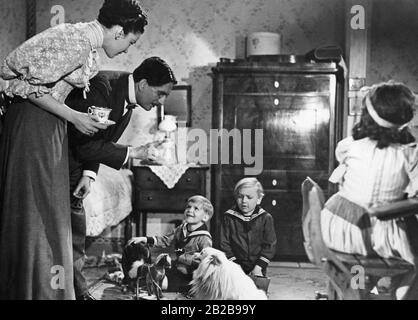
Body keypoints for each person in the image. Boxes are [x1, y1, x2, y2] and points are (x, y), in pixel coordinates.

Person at [0, 0, 148, 300]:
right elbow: (23, 85)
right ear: (119, 31)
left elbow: (49, 88)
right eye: (130, 42)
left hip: (48, 126)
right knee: (38, 214)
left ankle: (41, 289)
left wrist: (77, 117)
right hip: (33, 124)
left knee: (48, 213)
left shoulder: (86, 43)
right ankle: (32, 291)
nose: (127, 50)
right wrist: (74, 116)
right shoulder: (77, 41)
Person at [65, 57, 177, 300]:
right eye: (160, 93)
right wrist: (134, 152)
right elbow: (85, 144)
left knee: (75, 234)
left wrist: (89, 173)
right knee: (68, 235)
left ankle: (78, 292)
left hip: (77, 169)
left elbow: (98, 140)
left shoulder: (127, 98)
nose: (161, 101)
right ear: (143, 84)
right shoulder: (103, 88)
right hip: (58, 165)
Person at [320, 81, 418, 299]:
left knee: (361, 266)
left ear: (367, 114)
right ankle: (393, 292)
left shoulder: (349, 146)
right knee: (413, 258)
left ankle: (359, 289)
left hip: (341, 230)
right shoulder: (410, 153)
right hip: (379, 238)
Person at [128, 195, 214, 293]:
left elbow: (206, 261)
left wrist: (184, 258)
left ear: (205, 217)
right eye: (188, 207)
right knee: (153, 272)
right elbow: (166, 240)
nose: (190, 210)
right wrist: (145, 239)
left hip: (190, 275)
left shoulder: (204, 237)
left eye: (196, 208)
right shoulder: (181, 229)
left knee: (161, 283)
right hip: (176, 268)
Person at [219, 177, 277, 277]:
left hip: (257, 267)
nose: (244, 201)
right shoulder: (228, 217)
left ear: (259, 199)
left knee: (257, 291)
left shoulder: (265, 218)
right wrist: (235, 266)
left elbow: (270, 245)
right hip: (233, 265)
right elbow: (224, 244)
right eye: (240, 197)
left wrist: (259, 267)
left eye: (249, 197)